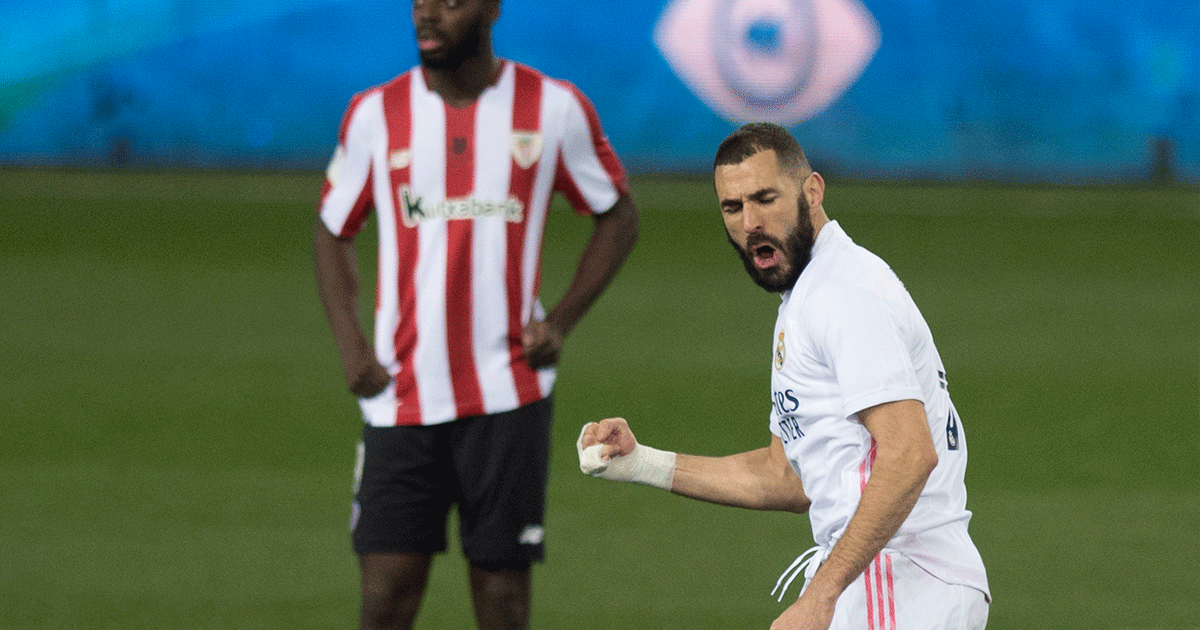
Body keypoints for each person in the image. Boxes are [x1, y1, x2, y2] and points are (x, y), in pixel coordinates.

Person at [577, 122, 989, 630]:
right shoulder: (807, 296)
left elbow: (909, 453)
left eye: (764, 198)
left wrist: (820, 597)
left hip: (899, 578)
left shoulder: (843, 294)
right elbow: (789, 476)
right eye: (732, 207)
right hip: (888, 578)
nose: (749, 222)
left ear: (812, 191)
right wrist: (643, 464)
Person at [314, 0, 639, 628]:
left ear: (491, 8)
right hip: (400, 395)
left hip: (508, 392)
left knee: (502, 597)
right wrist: (351, 344)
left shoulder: (553, 108)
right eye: (419, 2)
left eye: (450, 2)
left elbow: (618, 214)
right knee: (387, 593)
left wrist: (562, 321)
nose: (428, 15)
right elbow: (333, 229)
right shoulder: (376, 115)